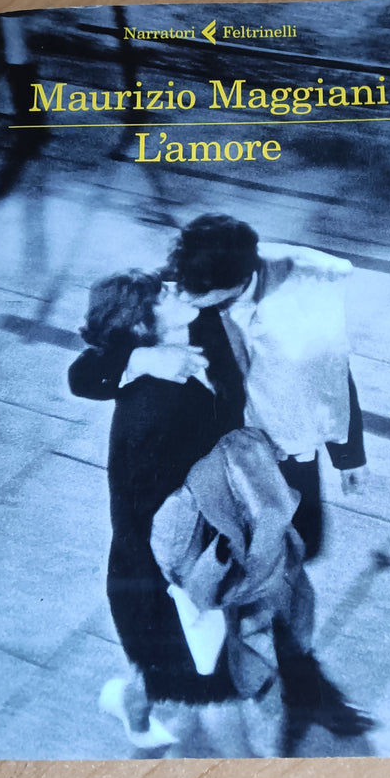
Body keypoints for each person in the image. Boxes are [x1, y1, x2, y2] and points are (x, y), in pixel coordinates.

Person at [68, 271, 242, 748]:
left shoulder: (197, 331)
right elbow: (143, 512)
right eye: (164, 293)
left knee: (185, 680)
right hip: (167, 567)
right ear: (144, 325)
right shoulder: (155, 403)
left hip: (188, 555)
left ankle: (137, 702)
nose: (178, 288)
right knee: (210, 700)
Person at [158, 214, 370, 561]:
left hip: (286, 449)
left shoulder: (305, 301)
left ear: (236, 283)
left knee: (297, 545)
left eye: (195, 292)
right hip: (217, 445)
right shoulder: (194, 273)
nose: (181, 295)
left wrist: (350, 456)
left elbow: (331, 379)